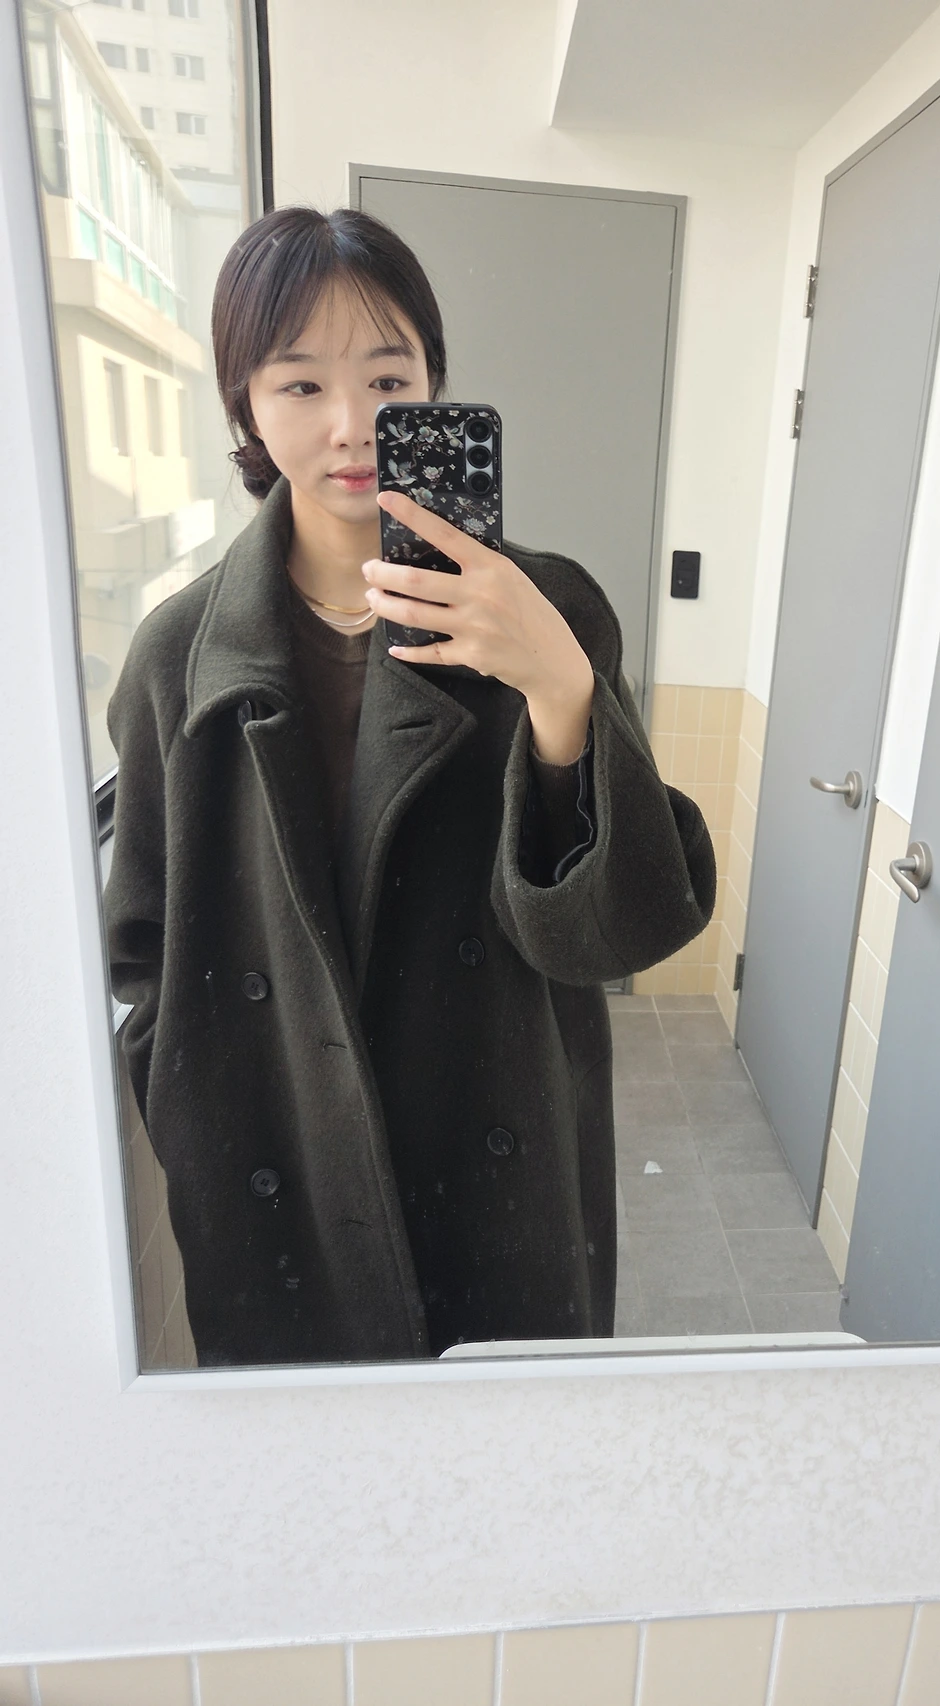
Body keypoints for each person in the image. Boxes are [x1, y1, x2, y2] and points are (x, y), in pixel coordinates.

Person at [103, 207, 715, 1367]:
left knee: (502, 1461)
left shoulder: (552, 607)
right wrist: (209, 1124)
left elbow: (621, 934)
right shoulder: (177, 655)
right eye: (299, 384)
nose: (352, 426)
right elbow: (144, 948)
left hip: (501, 1164)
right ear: (244, 405)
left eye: (388, 378)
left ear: (434, 384)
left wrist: (559, 689)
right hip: (278, 1183)